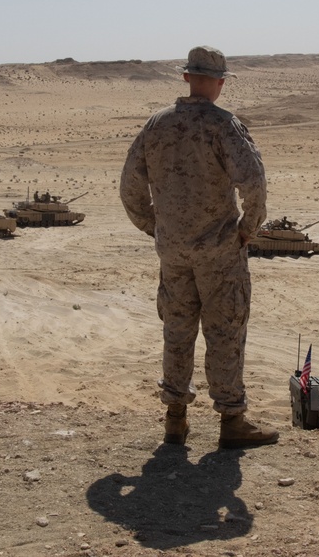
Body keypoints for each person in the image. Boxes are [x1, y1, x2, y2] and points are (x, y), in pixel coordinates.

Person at [120, 46, 278, 449]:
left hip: (173, 253)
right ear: (220, 83)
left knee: (177, 329)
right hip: (220, 252)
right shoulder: (224, 126)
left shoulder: (156, 125)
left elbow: (130, 187)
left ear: (187, 78)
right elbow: (254, 184)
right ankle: (231, 421)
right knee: (225, 331)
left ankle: (175, 420)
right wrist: (248, 230)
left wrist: (157, 228)